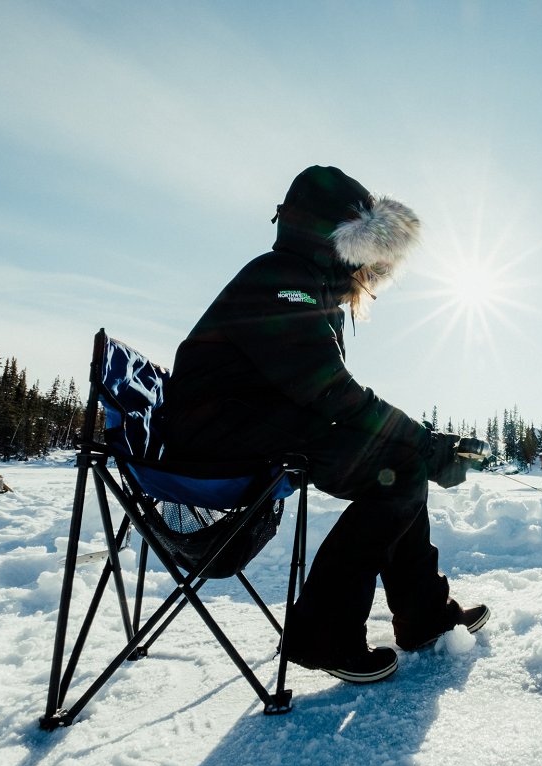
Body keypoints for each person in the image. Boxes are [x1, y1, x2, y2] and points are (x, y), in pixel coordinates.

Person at [162, 165, 489, 683]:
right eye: (371, 258)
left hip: (249, 427)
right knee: (399, 468)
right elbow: (332, 394)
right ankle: (325, 637)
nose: (374, 274)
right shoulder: (277, 282)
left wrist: (424, 446)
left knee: (399, 465)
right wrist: (424, 444)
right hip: (217, 440)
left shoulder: (307, 288)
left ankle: (423, 618)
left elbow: (328, 398)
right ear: (342, 243)